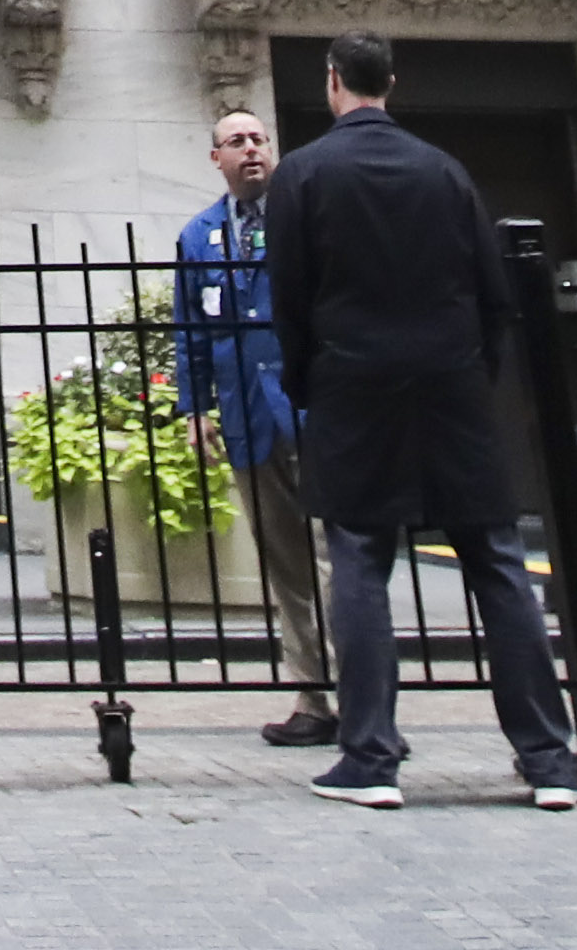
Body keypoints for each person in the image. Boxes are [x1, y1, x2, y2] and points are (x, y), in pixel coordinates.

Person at [263, 31, 577, 812]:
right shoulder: (445, 170)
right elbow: (492, 292)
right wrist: (471, 373)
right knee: (497, 564)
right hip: (451, 383)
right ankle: (548, 759)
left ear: (333, 81)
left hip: (352, 382)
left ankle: (371, 757)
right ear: (391, 83)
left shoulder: (304, 172)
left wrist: (310, 381)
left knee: (360, 563)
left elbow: (288, 297)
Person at [171, 105, 337, 744]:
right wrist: (196, 408)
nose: (250, 149)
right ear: (217, 158)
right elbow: (191, 329)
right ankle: (312, 698)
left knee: (334, 556)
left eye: (258, 138)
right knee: (286, 565)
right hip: (247, 415)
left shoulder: (305, 219)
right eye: (235, 141)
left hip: (313, 407)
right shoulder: (199, 235)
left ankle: (361, 696)